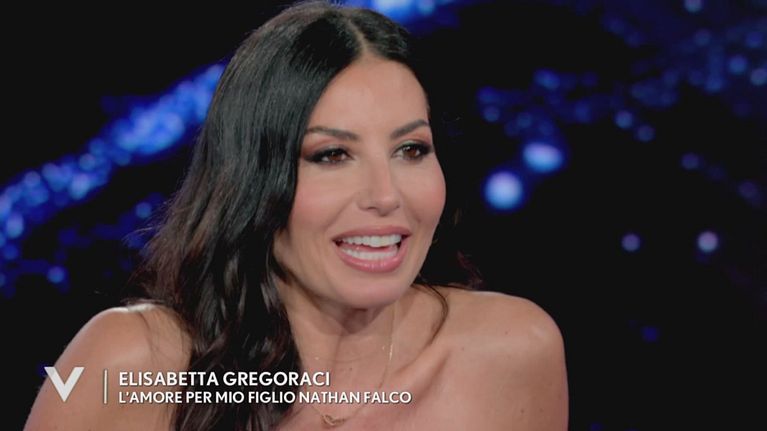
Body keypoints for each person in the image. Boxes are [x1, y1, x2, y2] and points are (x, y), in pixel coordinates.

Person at [24, 1, 568, 429]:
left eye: (411, 150)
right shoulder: (130, 366)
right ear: (252, 178)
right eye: (332, 155)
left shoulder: (512, 353)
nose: (386, 196)